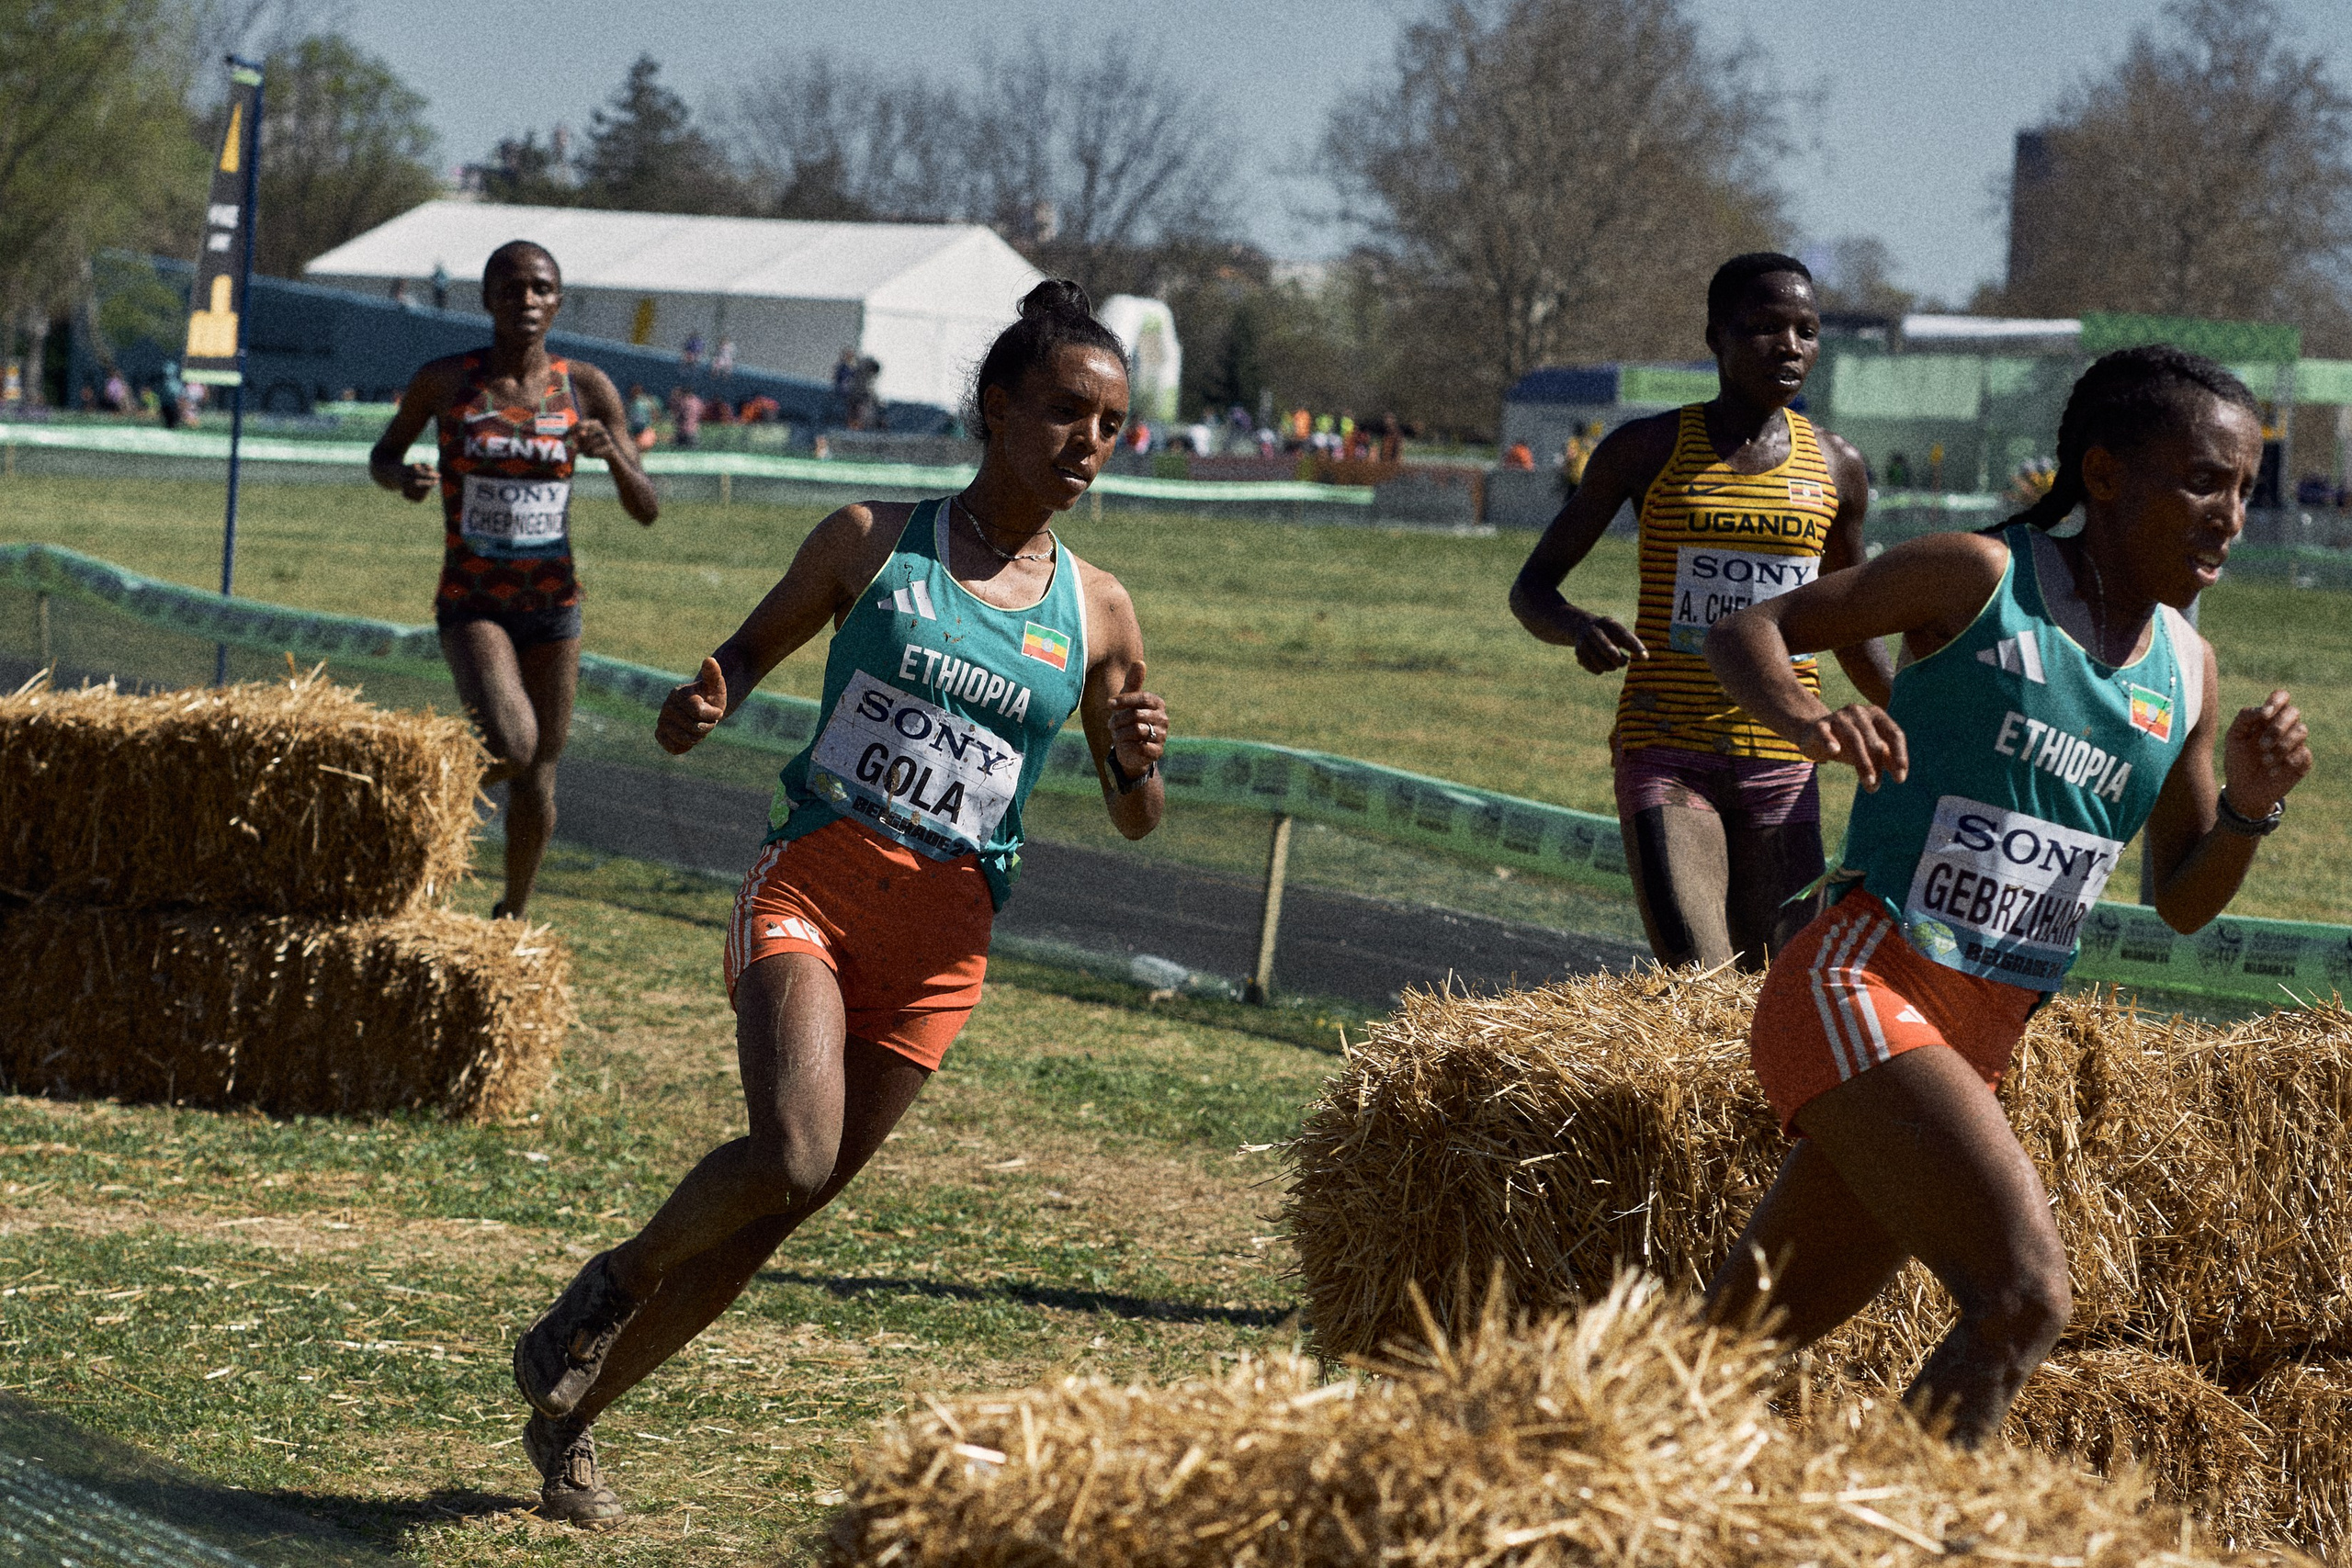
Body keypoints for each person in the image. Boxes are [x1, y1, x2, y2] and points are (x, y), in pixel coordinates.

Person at [506, 279, 1170, 1527]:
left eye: (1111, 426)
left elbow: (1137, 810)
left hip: (942, 951)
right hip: (812, 887)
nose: (1086, 444)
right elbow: (745, 656)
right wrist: (705, 698)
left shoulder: (1102, 609)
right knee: (791, 1149)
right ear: (996, 408)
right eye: (1065, 414)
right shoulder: (869, 538)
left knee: (773, 1214)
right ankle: (614, 1279)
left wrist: (1139, 754)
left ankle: (569, 1420)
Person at [1702, 345, 2312, 1446]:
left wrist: (2249, 812)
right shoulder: (1976, 576)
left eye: (2243, 491)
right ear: (2106, 474)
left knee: (1710, 1358)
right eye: (2202, 481)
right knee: (2026, 1297)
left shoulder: (2188, 668)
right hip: (1857, 985)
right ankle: (1892, 1535)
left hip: (1974, 1040)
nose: (2227, 516)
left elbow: (2181, 898)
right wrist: (1802, 722)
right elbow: (1748, 628)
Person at [1510, 253, 1893, 972]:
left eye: (1807, 330)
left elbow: (1852, 624)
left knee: (1784, 990)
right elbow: (1532, 588)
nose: (1790, 346)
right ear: (1715, 337)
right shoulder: (1646, 449)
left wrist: (1918, 714)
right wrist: (1576, 628)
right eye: (1764, 328)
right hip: (1669, 746)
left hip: (1785, 754)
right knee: (1702, 984)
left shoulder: (1837, 466)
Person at [368, 241, 659, 919]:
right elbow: (384, 453)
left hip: (554, 605)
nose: (526, 301)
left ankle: (513, 914)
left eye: (540, 289)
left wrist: (612, 452)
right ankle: (412, 794)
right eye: (511, 288)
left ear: (557, 300)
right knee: (513, 744)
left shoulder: (585, 386)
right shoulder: (446, 380)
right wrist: (401, 478)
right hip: (474, 602)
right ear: (487, 299)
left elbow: (646, 508)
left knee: (538, 777)